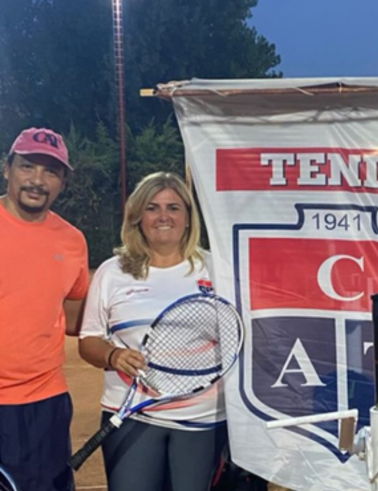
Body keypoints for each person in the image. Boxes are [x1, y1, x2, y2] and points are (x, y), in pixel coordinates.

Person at [79, 171, 227, 491]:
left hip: (201, 418)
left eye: (174, 208)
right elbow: (88, 341)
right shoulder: (112, 272)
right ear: (137, 218)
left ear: (188, 218)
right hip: (130, 414)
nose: (163, 216)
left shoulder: (217, 269)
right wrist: (114, 355)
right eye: (152, 207)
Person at [0, 127, 89, 491]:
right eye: (28, 167)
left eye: (50, 172)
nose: (37, 180)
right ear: (7, 169)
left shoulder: (71, 241)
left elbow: (73, 318)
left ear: (62, 182)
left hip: (43, 403)